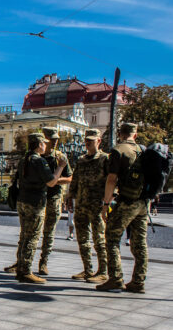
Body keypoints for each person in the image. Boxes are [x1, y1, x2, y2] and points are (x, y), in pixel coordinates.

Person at [4, 133, 67, 284]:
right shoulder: (39, 161)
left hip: (22, 201)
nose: (46, 145)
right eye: (44, 143)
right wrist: (60, 167)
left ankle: (20, 267)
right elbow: (51, 182)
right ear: (39, 144)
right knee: (32, 237)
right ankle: (25, 271)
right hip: (35, 203)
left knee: (24, 235)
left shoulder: (24, 159)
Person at [97, 123, 148, 293]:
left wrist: (106, 204)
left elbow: (112, 179)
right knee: (140, 242)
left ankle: (115, 278)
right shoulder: (143, 150)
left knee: (111, 238)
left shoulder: (118, 150)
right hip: (143, 203)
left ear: (120, 133)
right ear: (135, 134)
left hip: (126, 201)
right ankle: (138, 281)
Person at [68, 128, 109, 283]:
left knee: (99, 239)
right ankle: (87, 269)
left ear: (98, 141)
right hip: (81, 204)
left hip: (97, 205)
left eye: (91, 141)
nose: (87, 143)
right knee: (82, 239)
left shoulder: (105, 159)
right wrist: (70, 196)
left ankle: (103, 271)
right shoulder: (81, 160)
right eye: (86, 140)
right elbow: (75, 179)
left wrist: (107, 201)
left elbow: (112, 181)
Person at [37, 127, 73, 276]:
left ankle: (43, 262)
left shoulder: (60, 157)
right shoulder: (36, 156)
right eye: (52, 139)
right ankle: (23, 261)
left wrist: (53, 181)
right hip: (37, 198)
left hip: (54, 198)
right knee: (31, 231)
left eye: (56, 139)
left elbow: (70, 177)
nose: (55, 142)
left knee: (49, 232)